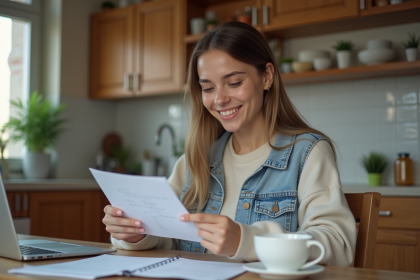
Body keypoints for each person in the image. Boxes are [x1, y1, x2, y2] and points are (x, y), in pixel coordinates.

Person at [102, 22, 356, 266]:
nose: (219, 99)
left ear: (266, 76)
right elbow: (165, 231)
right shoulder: (196, 158)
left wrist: (246, 241)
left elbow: (338, 244)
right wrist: (136, 233)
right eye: (208, 88)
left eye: (234, 83)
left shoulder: (307, 153)